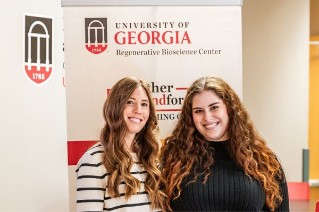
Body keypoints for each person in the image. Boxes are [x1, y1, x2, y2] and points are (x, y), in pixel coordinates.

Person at [160, 76, 289, 211]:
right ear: (191, 116)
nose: (207, 117)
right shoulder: (173, 158)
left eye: (214, 107)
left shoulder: (263, 161)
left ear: (229, 108)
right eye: (198, 111)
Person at [76, 76, 165, 211]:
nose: (138, 110)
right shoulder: (94, 160)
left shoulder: (153, 158)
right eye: (130, 102)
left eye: (144, 104)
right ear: (115, 106)